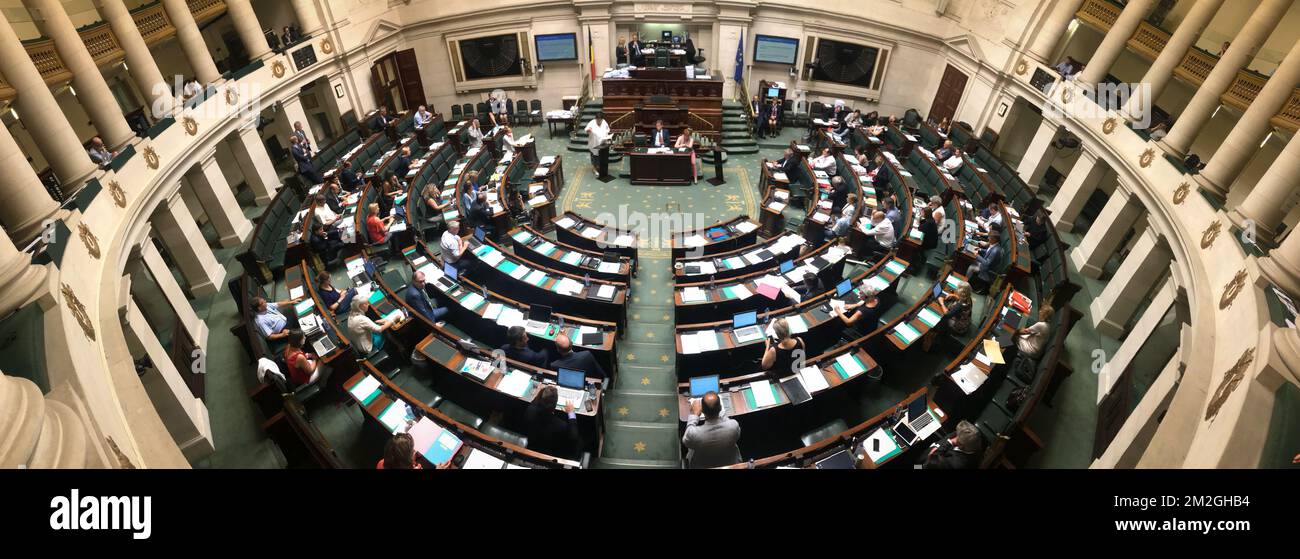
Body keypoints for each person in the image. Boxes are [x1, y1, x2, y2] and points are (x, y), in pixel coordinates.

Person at [682, 391, 742, 469]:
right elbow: (736, 434)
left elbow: (685, 441)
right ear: (720, 408)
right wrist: (718, 409)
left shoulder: (694, 434)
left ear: (702, 410)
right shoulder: (733, 425)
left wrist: (694, 415)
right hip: (730, 463)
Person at [523, 385, 581, 459]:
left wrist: (541, 391)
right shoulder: (561, 426)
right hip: (554, 454)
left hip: (533, 446)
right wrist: (571, 413)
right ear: (555, 404)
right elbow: (574, 436)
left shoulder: (530, 411)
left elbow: (534, 403)